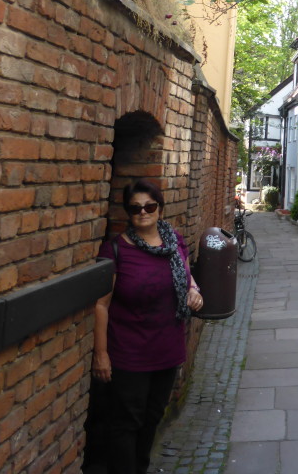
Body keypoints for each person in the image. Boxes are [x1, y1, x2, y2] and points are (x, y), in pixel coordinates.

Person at [91, 178, 204, 474]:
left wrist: (194, 292)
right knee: (126, 422)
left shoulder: (175, 241)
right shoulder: (115, 250)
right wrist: (101, 354)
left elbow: (187, 278)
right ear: (128, 213)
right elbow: (101, 305)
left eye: (149, 206)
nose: (143, 212)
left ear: (160, 209)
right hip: (129, 353)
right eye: (135, 208)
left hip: (167, 348)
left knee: (153, 416)